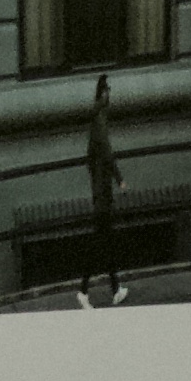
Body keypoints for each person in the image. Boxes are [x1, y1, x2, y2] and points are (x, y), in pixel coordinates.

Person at [83, 74, 122, 304]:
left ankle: (116, 289)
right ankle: (83, 291)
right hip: (103, 192)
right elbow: (106, 154)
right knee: (100, 240)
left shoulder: (96, 118)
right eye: (109, 91)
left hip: (100, 190)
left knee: (105, 240)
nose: (110, 95)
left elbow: (91, 158)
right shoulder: (99, 119)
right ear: (104, 93)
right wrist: (119, 179)